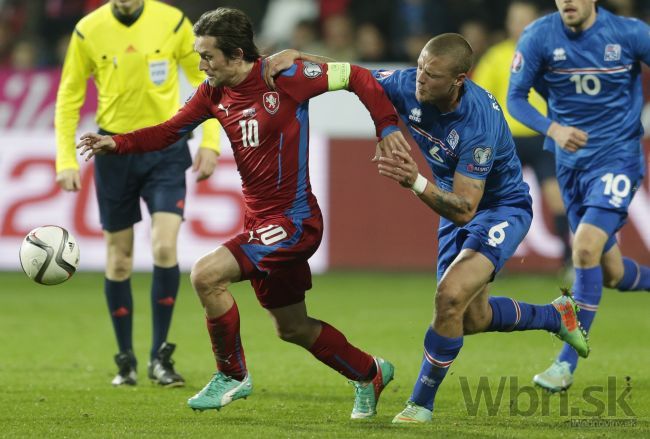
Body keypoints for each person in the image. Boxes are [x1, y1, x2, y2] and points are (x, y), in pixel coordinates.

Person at [76, 7, 413, 419]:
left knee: (205, 274)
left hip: (294, 221)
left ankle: (231, 374)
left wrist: (387, 126)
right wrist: (117, 143)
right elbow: (169, 131)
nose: (200, 65)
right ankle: (370, 371)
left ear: (236, 54)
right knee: (292, 328)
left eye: (207, 56)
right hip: (260, 223)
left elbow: (357, 76)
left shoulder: (283, 77)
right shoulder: (212, 93)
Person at [263, 33, 589, 424]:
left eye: (431, 75)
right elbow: (353, 76)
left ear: (459, 80)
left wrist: (414, 180)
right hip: (451, 202)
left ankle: (421, 402)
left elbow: (468, 209)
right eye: (419, 68)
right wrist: (299, 57)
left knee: (449, 297)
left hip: (500, 208)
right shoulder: (408, 84)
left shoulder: (476, 123)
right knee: (472, 318)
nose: (420, 80)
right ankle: (557, 316)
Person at [54, 0, 221, 387]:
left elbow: (207, 78)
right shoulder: (88, 30)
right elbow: (69, 96)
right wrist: (65, 160)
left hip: (164, 148)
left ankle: (160, 356)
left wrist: (210, 141)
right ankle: (125, 360)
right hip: (113, 151)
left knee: (164, 247)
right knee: (120, 260)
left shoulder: (173, 21)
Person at [508, 0, 650, 392]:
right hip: (570, 165)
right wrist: (552, 128)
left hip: (618, 158)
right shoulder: (538, 36)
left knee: (584, 248)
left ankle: (565, 364)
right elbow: (515, 97)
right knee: (614, 274)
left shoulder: (630, 33)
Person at [472, 0, 572, 269]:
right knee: (491, 200)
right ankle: (487, 261)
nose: (521, 24)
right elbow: (479, 97)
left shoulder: (549, 52)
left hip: (541, 137)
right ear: (508, 23)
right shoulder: (496, 56)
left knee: (555, 195)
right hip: (506, 141)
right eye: (516, 19)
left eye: (526, 19)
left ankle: (569, 260)